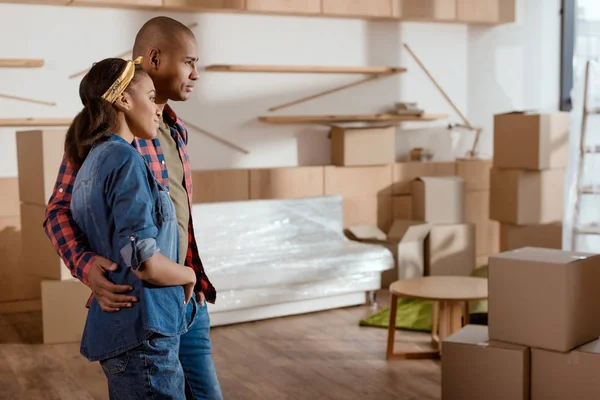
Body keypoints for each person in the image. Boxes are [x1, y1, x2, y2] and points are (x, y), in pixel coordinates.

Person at [43, 16, 223, 399]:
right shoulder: (106, 139)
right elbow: (58, 210)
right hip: (146, 308)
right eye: (189, 61)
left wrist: (190, 277)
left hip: (188, 299)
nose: (195, 73)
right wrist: (86, 266)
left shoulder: (174, 128)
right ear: (155, 58)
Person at [66, 56, 197, 399]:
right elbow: (144, 261)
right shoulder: (125, 159)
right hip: (144, 332)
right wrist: (188, 275)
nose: (157, 108)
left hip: (125, 332)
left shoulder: (92, 162)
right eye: (151, 97)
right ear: (123, 99)